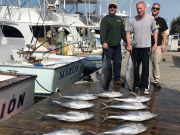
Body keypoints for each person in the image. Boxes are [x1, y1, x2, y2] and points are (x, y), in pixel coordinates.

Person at [126, 1, 158, 94]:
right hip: (135, 48)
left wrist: (155, 43)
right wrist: (128, 44)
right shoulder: (133, 20)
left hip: (146, 48)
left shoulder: (151, 18)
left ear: (145, 8)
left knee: (145, 68)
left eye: (140, 8)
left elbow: (155, 31)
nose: (139, 10)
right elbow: (128, 32)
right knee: (134, 68)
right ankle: (134, 84)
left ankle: (144, 86)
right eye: (137, 8)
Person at [100, 0, 126, 91]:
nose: (112, 8)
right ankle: (105, 83)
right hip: (108, 47)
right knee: (107, 67)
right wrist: (103, 42)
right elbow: (102, 32)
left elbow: (123, 33)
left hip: (117, 46)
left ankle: (117, 79)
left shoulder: (119, 19)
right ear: (108, 8)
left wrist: (127, 42)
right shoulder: (105, 19)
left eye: (114, 7)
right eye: (110, 6)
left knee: (118, 64)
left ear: (116, 8)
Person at [151, 3, 168, 88]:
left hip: (157, 45)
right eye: (154, 8)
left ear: (159, 10)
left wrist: (164, 45)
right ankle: (144, 80)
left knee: (156, 63)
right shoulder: (147, 18)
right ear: (151, 9)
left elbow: (165, 33)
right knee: (145, 64)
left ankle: (156, 80)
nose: (155, 10)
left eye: (157, 9)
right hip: (146, 45)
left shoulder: (162, 20)